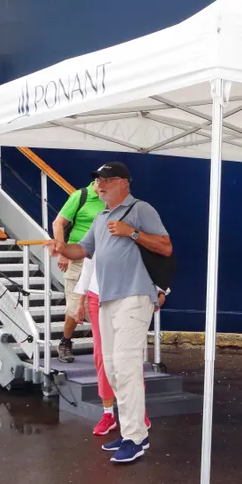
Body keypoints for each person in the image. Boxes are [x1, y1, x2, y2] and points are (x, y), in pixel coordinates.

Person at [47, 161, 172, 464]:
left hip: (134, 296)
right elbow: (82, 250)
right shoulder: (101, 217)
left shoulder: (141, 210)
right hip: (107, 299)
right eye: (98, 180)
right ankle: (129, 431)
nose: (99, 185)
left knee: (127, 367)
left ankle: (136, 438)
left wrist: (132, 233)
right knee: (114, 368)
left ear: (124, 183)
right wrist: (61, 247)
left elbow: (166, 247)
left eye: (107, 180)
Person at [75, 253, 156, 436]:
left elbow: (151, 259)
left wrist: (158, 291)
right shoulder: (96, 236)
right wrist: (80, 301)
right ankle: (108, 413)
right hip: (98, 296)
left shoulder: (133, 234)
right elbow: (88, 266)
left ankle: (137, 411)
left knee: (130, 354)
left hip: (129, 294)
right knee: (102, 355)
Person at [51, 179, 106, 363]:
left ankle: (104, 347)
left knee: (103, 303)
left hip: (104, 259)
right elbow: (58, 223)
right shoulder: (80, 196)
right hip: (78, 257)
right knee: (75, 304)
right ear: (97, 181)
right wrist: (63, 251)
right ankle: (65, 341)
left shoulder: (111, 199)